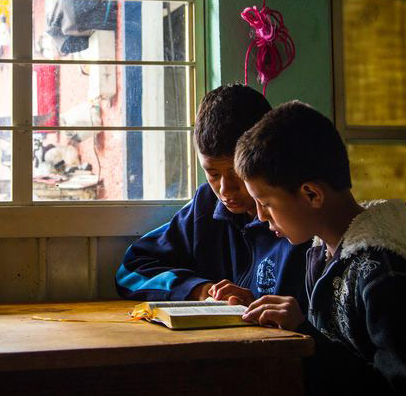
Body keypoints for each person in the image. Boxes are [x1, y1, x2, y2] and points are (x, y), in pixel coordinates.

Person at [233, 100, 406, 394]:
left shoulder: (387, 275)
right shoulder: (323, 248)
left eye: (265, 203)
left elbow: (399, 386)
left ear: (312, 194)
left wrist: (306, 335)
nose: (260, 216)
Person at [114, 83, 310, 305]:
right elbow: (130, 270)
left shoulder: (297, 217)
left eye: (236, 173)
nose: (225, 190)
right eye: (213, 174)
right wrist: (200, 289)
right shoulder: (206, 206)